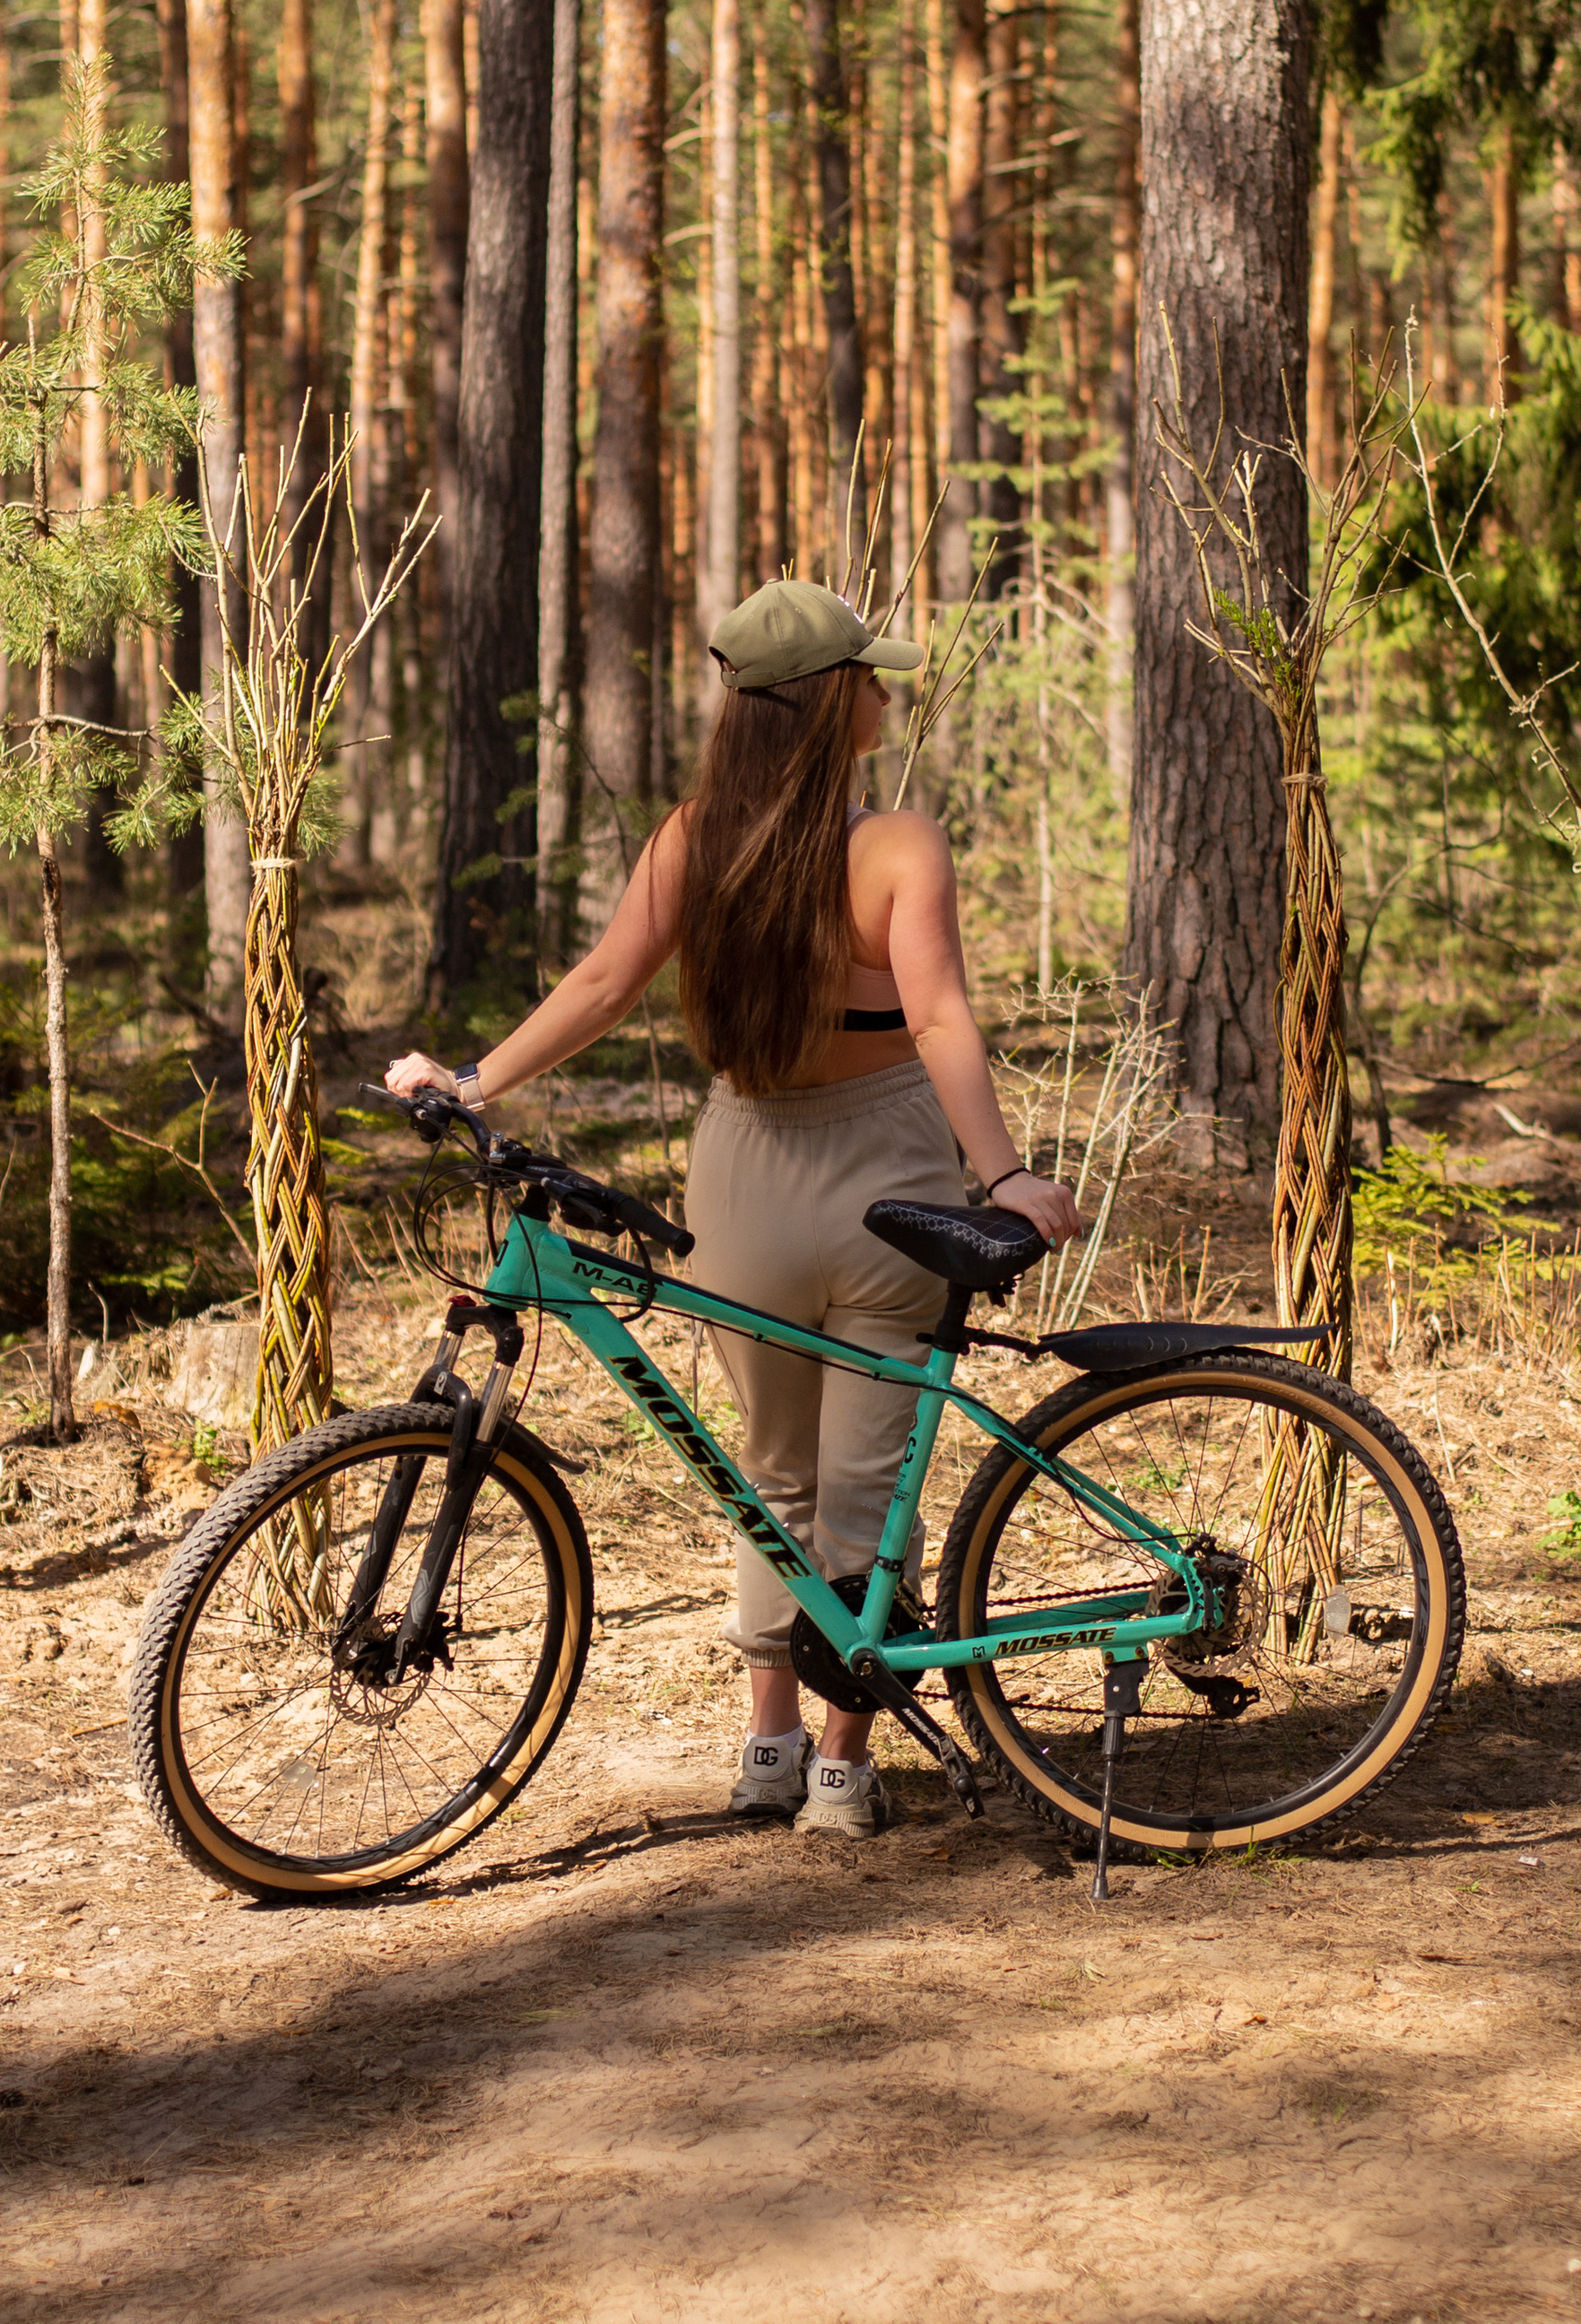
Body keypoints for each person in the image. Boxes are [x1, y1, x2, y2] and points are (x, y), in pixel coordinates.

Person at [385, 579, 1081, 1842]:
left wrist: (476, 1076)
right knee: (867, 1482)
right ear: (829, 707)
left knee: (768, 1475)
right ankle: (839, 1765)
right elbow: (935, 1020)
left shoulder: (692, 839)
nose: (885, 692)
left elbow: (600, 984)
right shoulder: (897, 847)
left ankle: (766, 1742)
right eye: (870, 678)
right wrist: (1000, 1176)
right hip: (895, 1175)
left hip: (745, 1175)